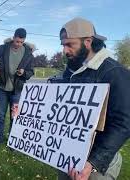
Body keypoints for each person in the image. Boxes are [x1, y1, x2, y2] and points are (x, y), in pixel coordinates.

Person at [57, 17, 130, 180]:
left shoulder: (115, 73)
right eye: (63, 45)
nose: (65, 51)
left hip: (96, 167)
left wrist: (93, 162)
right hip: (68, 158)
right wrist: (27, 110)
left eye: (70, 44)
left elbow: (123, 123)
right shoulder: (72, 70)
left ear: (88, 41)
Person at [0, 28, 34, 149]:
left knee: (14, 116)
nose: (18, 44)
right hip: (2, 89)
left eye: (21, 42)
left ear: (24, 41)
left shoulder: (28, 53)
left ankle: (12, 141)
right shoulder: (3, 48)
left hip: (17, 91)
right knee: (1, 115)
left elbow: (31, 71)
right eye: (17, 41)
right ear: (13, 38)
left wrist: (24, 73)